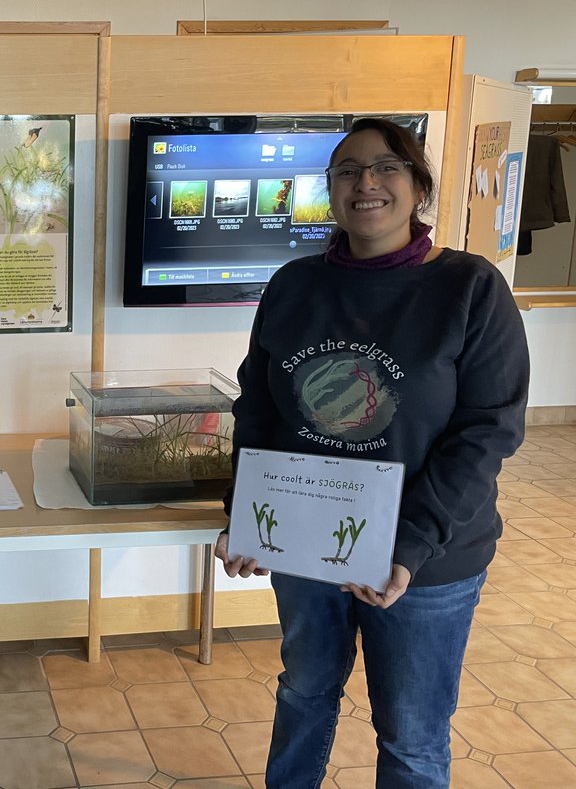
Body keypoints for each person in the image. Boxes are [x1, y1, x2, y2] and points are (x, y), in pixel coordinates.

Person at [215, 118, 529, 787]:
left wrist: (407, 546)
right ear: (329, 190)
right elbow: (259, 410)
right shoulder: (294, 285)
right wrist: (247, 515)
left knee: (411, 734)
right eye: (348, 170)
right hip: (308, 545)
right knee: (304, 693)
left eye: (386, 166)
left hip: (427, 560)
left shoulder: (470, 289)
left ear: (417, 185)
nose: (367, 182)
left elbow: (487, 431)